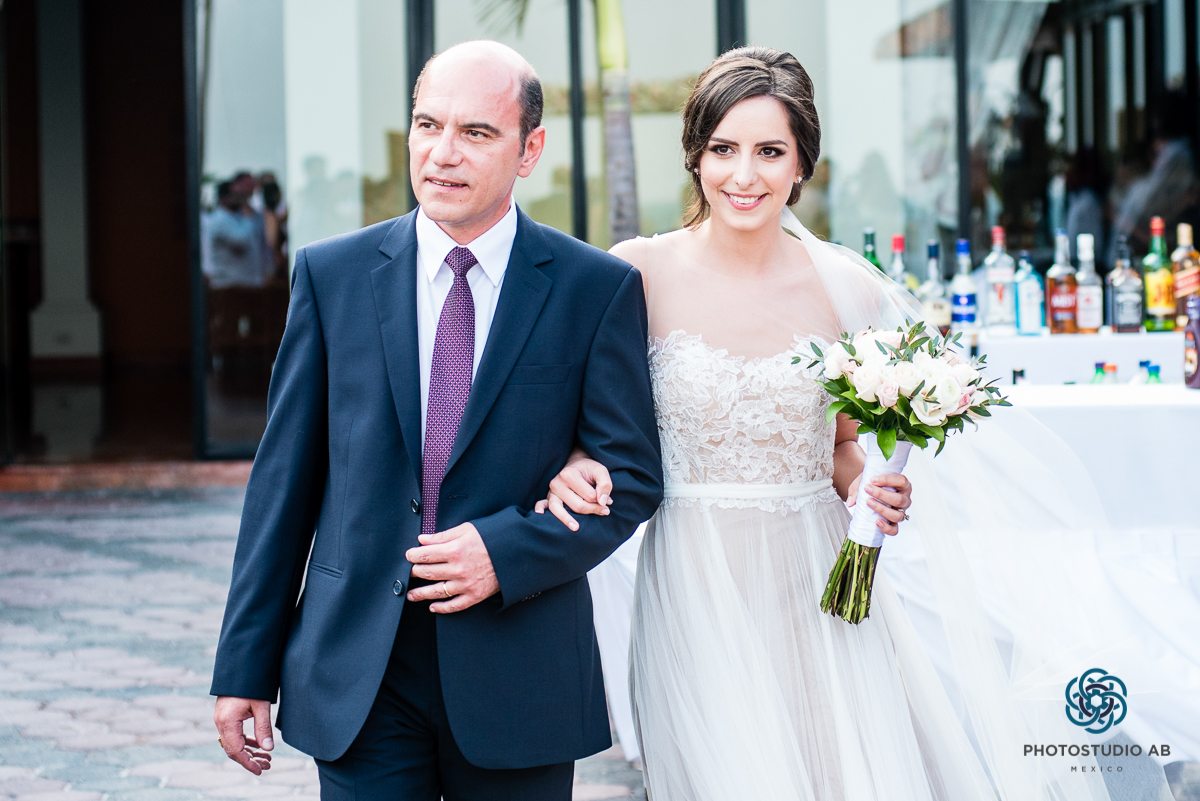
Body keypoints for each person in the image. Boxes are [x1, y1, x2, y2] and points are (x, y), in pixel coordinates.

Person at [536, 47, 1165, 800]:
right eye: (724, 149)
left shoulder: (847, 291)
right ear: (695, 156)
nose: (744, 175)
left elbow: (840, 445)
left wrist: (870, 484)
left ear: (803, 161)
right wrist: (577, 460)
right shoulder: (638, 272)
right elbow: (586, 418)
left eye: (770, 151)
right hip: (693, 581)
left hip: (815, 580)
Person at [209, 40, 663, 801]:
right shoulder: (331, 275)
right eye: (428, 125)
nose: (443, 153)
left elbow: (634, 477)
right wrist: (244, 666)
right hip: (360, 668)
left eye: (476, 132)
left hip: (519, 669)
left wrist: (505, 551)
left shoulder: (595, 287)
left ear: (530, 150)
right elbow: (283, 486)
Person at [203, 178, 272, 289]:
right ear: (225, 197)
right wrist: (248, 216)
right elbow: (241, 241)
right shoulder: (219, 219)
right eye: (236, 195)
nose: (241, 199)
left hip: (247, 285)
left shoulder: (237, 217)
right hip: (230, 286)